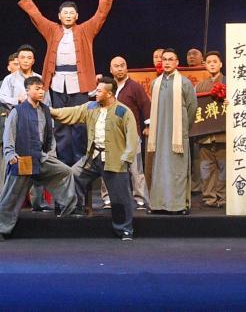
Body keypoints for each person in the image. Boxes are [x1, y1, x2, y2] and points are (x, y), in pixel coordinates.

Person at [18, 0, 113, 166]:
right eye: (65, 13)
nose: (68, 15)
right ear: (59, 16)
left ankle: (80, 164)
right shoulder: (52, 30)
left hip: (79, 83)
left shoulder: (85, 30)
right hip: (57, 83)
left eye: (71, 13)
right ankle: (63, 165)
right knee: (60, 124)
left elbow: (100, 16)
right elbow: (37, 17)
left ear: (77, 16)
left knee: (79, 124)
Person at [0, 76, 78, 241]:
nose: (41, 92)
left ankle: (68, 208)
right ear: (27, 90)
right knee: (11, 195)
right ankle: (0, 229)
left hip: (40, 156)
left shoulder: (45, 110)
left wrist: (51, 153)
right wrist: (10, 154)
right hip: (23, 158)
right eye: (37, 89)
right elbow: (9, 134)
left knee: (65, 172)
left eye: (42, 89)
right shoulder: (18, 110)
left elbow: (49, 135)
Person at [52, 77, 139, 240]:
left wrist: (126, 158)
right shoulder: (91, 107)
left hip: (114, 159)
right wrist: (48, 110)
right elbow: (70, 113)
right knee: (72, 175)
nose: (95, 93)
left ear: (109, 94)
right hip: (92, 157)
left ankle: (124, 229)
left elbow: (132, 137)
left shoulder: (122, 111)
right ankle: (74, 211)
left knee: (120, 197)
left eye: (99, 91)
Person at [0, 44, 52, 212]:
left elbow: (47, 100)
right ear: (18, 59)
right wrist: (18, 101)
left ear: (34, 60)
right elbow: (2, 97)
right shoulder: (10, 79)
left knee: (37, 161)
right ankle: (13, 203)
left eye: (29, 58)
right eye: (22, 57)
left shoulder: (39, 78)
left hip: (37, 121)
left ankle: (38, 202)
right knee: (18, 162)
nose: (26, 60)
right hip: (18, 120)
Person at [147, 49, 197, 214]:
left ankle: (178, 205)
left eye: (170, 59)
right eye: (164, 59)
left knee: (177, 170)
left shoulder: (184, 83)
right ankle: (158, 204)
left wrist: (183, 128)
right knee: (160, 169)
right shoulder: (155, 84)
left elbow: (192, 109)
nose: (167, 62)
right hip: (159, 135)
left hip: (177, 135)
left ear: (177, 63)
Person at [99, 56, 150, 211]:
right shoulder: (107, 87)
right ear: (111, 69)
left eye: (123, 65)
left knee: (136, 169)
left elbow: (145, 105)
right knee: (108, 167)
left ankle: (140, 199)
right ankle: (107, 198)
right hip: (110, 135)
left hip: (131, 135)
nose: (120, 68)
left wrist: (148, 126)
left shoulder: (135, 87)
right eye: (116, 66)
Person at [194, 51, 227, 208]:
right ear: (205, 65)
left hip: (223, 135)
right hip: (205, 136)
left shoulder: (230, 82)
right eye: (209, 62)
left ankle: (223, 197)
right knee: (206, 168)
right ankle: (209, 197)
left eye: (215, 61)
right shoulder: (200, 86)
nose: (212, 64)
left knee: (224, 168)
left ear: (221, 64)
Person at [0, 52, 19, 201]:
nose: (18, 66)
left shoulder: (31, 83)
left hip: (25, 128)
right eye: (15, 64)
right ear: (9, 67)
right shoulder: (2, 85)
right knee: (3, 162)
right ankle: (1, 195)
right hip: (5, 126)